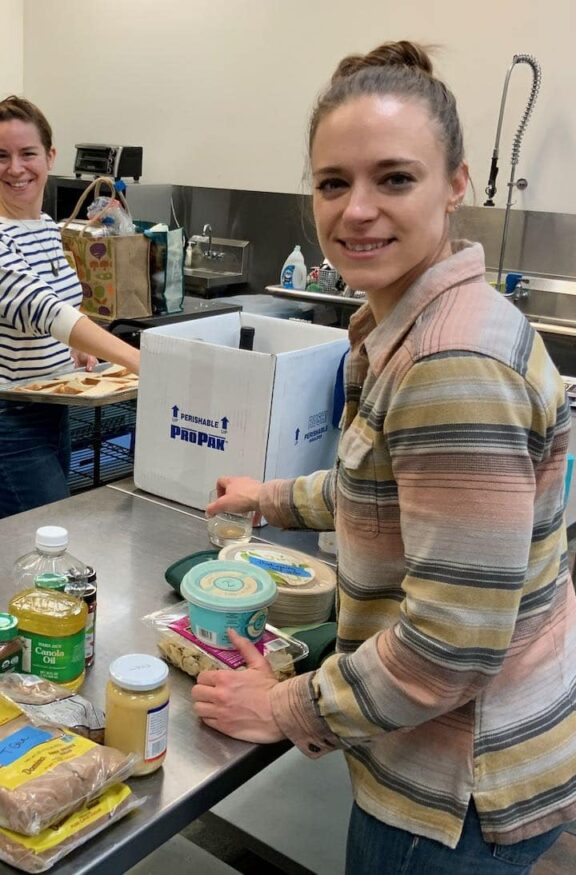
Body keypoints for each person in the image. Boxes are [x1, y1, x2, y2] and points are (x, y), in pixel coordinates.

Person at [192, 41, 576, 873]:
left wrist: (286, 705)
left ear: (457, 185)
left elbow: (449, 645)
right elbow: (391, 486)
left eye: (394, 178)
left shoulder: (451, 363)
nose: (356, 209)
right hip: (477, 745)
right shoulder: (408, 320)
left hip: (451, 788)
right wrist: (274, 497)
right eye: (334, 183)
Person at [0, 95, 140, 517]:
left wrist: (76, 346)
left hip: (47, 405)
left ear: (50, 156)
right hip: (0, 417)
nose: (15, 168)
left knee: (38, 539)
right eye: (1, 156)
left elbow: (56, 306)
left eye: (27, 153)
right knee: (51, 534)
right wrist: (138, 360)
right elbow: (42, 310)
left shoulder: (44, 227)